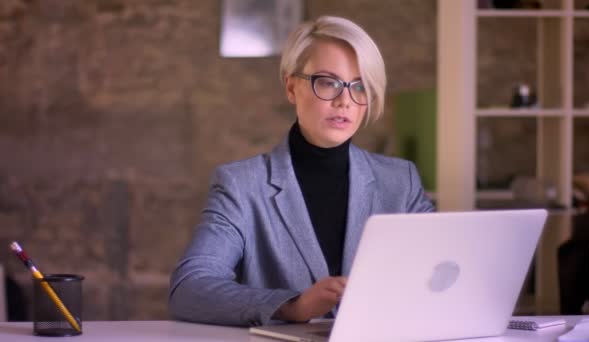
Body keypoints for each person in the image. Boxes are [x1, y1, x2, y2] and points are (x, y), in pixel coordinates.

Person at [169, 15, 434, 327]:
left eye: (360, 86)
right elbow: (189, 288)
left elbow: (443, 268)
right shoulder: (242, 186)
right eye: (327, 82)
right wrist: (291, 306)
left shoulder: (400, 181)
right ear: (291, 87)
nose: (344, 101)